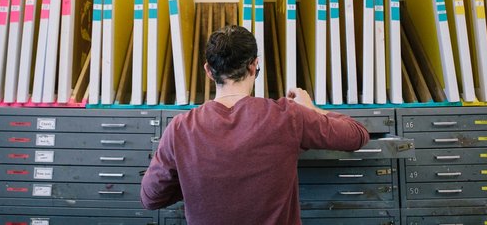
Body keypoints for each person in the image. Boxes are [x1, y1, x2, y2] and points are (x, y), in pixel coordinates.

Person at [140, 25, 369, 225]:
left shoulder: (181, 128)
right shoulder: (287, 115)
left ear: (209, 71)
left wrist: (196, 182)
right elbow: (357, 134)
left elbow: (151, 198)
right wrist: (311, 108)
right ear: (254, 66)